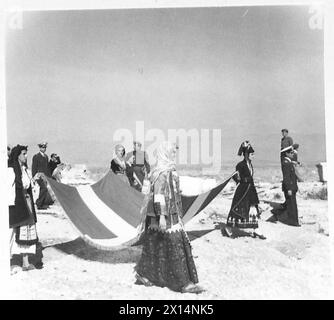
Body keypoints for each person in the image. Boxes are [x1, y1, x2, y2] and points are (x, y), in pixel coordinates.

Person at [134, 141, 204, 294]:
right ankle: (183, 283)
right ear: (164, 153)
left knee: (156, 245)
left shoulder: (168, 171)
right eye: (172, 152)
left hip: (170, 214)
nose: (174, 154)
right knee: (174, 245)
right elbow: (159, 196)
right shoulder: (161, 173)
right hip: (163, 216)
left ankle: (146, 275)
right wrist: (162, 217)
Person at [8, 145, 41, 272]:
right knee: (11, 232)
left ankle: (26, 263)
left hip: (27, 204)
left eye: (26, 154)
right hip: (16, 205)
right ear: (17, 155)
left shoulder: (25, 170)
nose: (26, 156)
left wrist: (34, 180)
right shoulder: (11, 170)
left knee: (26, 231)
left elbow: (28, 185)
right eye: (24, 154)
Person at [223, 141, 265, 239]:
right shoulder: (240, 165)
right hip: (242, 191)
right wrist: (241, 180)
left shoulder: (250, 164)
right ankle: (229, 227)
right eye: (252, 154)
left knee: (253, 208)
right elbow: (235, 176)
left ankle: (256, 229)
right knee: (237, 208)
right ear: (246, 154)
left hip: (251, 190)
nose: (253, 156)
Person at [281, 148, 301, 227]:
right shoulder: (286, 163)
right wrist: (289, 188)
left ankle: (294, 221)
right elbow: (287, 178)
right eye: (291, 153)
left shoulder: (289, 162)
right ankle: (293, 222)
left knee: (292, 204)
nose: (293, 154)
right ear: (287, 154)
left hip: (292, 187)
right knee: (291, 205)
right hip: (290, 188)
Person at [32, 142, 54, 210]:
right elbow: (34, 167)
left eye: (44, 147)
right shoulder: (36, 156)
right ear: (40, 148)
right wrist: (34, 177)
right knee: (43, 188)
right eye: (42, 147)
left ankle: (42, 203)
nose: (43, 149)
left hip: (45, 176)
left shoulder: (46, 157)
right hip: (39, 175)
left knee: (45, 189)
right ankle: (39, 203)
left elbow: (47, 168)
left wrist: (50, 177)